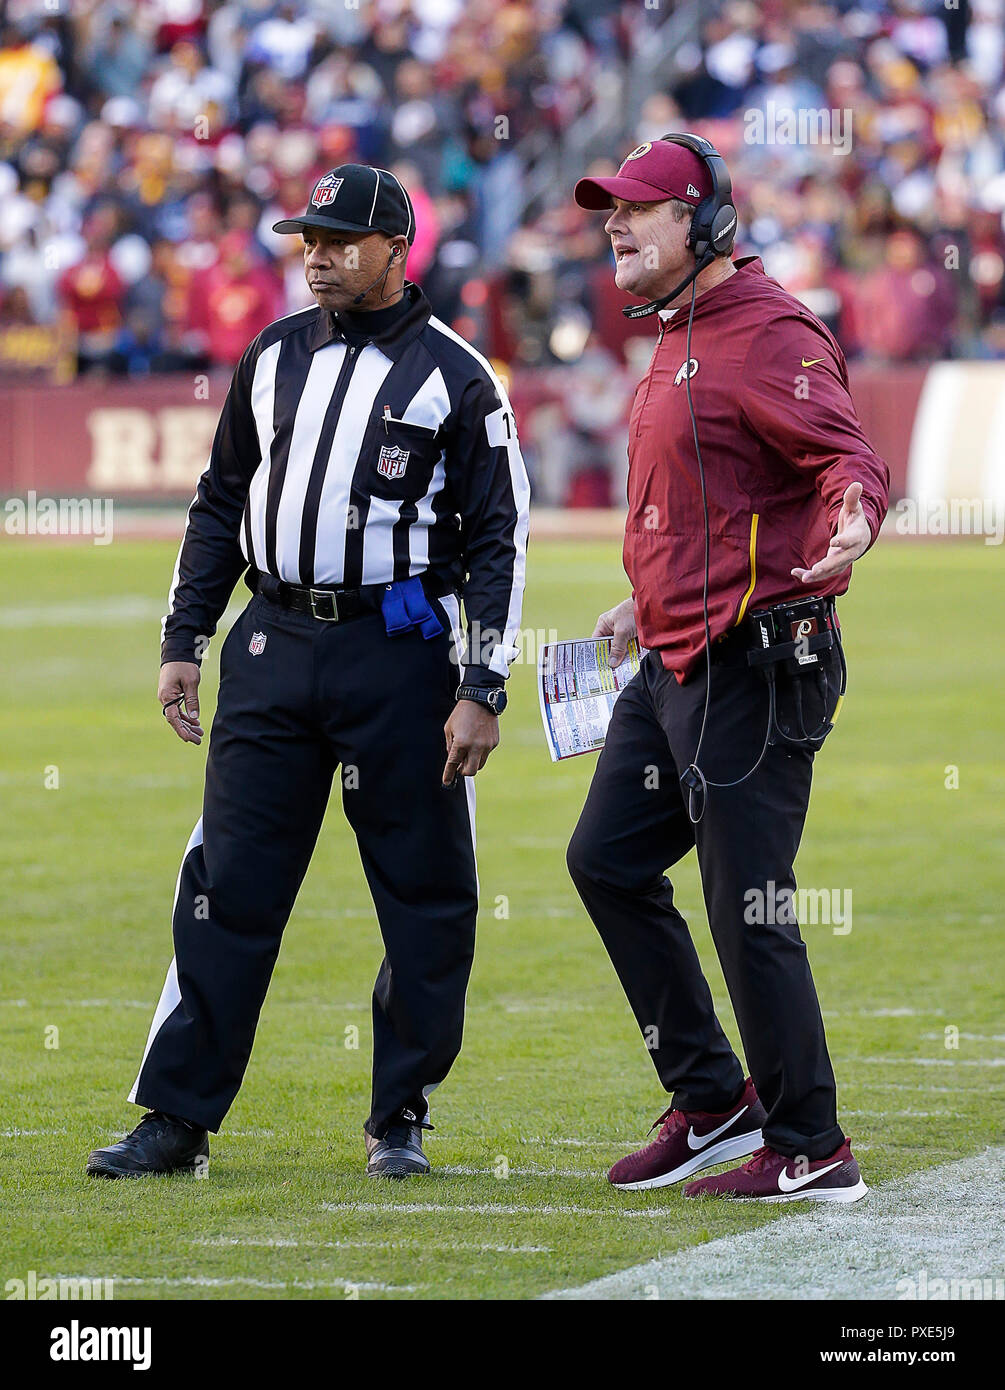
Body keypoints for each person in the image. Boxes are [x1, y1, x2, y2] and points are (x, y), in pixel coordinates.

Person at [86, 164, 530, 1182]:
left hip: (401, 649)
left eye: (337, 239)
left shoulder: (458, 377)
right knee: (227, 882)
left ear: (394, 249)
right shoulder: (273, 355)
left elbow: (502, 536)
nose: (317, 255)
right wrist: (182, 641)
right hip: (274, 640)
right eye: (307, 240)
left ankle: (400, 1113)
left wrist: (482, 683)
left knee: (424, 892)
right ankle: (178, 1118)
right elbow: (218, 501)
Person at [566, 135, 889, 1202]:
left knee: (747, 903)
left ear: (703, 223)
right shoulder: (680, 328)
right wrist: (645, 592)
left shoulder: (768, 329)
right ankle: (712, 1099)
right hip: (676, 655)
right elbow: (706, 497)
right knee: (606, 860)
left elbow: (847, 455)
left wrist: (853, 514)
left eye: (640, 211)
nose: (615, 225)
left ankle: (812, 1142)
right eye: (610, 209)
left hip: (757, 661)